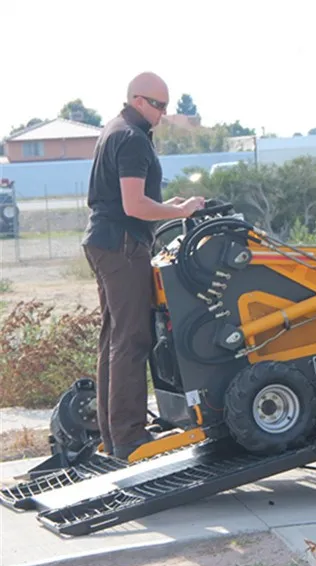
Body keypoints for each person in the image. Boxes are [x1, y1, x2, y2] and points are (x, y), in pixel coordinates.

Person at [81, 71, 205, 460]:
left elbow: (133, 200)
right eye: (158, 106)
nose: (163, 114)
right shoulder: (131, 138)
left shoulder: (115, 131)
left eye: (165, 106)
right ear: (138, 100)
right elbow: (134, 206)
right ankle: (129, 438)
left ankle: (116, 432)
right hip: (122, 246)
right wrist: (180, 210)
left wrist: (171, 205)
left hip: (106, 242)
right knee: (132, 339)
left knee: (114, 339)